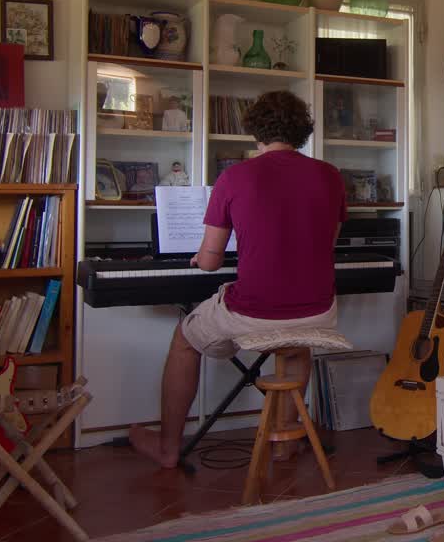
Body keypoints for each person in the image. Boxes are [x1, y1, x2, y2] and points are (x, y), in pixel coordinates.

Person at [129, 90, 347, 468]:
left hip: (255, 311)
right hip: (319, 310)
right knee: (295, 342)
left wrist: (200, 256)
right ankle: (285, 442)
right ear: (303, 131)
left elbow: (211, 262)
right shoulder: (330, 176)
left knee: (184, 338)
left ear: (256, 132)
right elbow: (326, 244)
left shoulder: (235, 177)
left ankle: (168, 448)